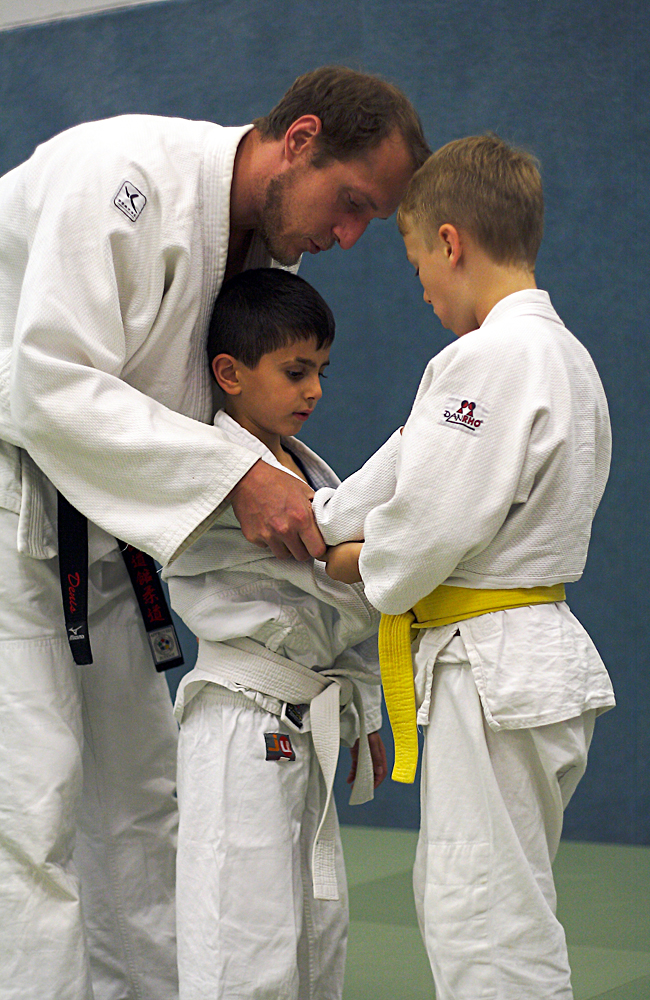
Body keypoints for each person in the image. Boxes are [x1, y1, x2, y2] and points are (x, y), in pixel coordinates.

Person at [0, 67, 429, 1000]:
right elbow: (46, 385)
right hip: (11, 514)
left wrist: (341, 664)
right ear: (299, 139)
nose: (347, 235)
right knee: (29, 813)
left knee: (140, 809)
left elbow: (249, 465)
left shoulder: (264, 261)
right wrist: (233, 476)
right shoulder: (125, 178)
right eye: (350, 203)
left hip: (108, 531)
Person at [314, 134, 616, 999]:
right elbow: (416, 458)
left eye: (416, 264)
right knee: (507, 906)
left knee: (479, 918)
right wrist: (325, 512)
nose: (422, 288)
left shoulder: (488, 356)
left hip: (489, 668)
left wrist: (350, 560)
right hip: (532, 659)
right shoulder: (563, 356)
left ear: (449, 241)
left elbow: (432, 519)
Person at [162, 267, 386, 1000]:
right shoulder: (212, 470)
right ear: (228, 373)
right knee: (240, 941)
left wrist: (364, 709)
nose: (314, 390)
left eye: (320, 370)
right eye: (295, 372)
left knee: (314, 936)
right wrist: (398, 549)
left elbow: (336, 617)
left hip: (304, 713)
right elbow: (337, 579)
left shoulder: (300, 469)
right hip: (238, 718)